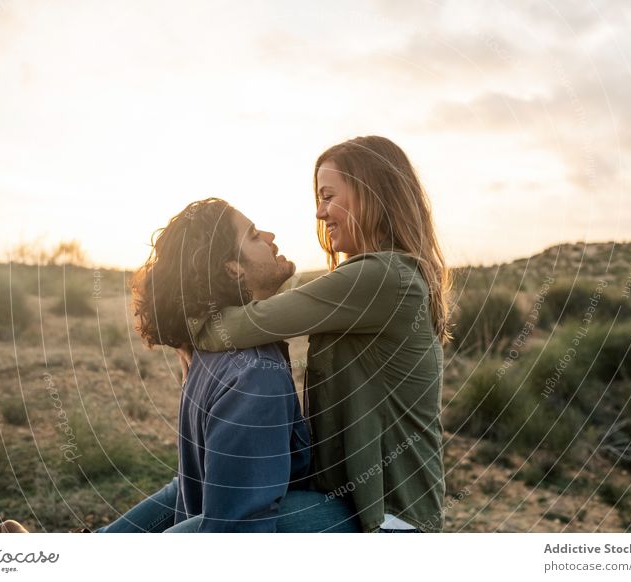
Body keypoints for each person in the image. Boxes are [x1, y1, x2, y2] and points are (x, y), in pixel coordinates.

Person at [0, 198, 359, 533]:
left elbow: (190, 491)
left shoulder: (209, 352)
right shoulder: (252, 373)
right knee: (346, 514)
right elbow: (236, 534)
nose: (270, 236)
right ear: (232, 269)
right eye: (253, 235)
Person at [187, 135, 452, 533]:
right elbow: (279, 300)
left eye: (329, 197)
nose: (319, 213)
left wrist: (184, 322)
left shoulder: (381, 278)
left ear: (372, 195)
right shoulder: (360, 279)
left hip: (392, 518)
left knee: (211, 530)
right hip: (345, 501)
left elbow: (246, 324)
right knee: (200, 498)